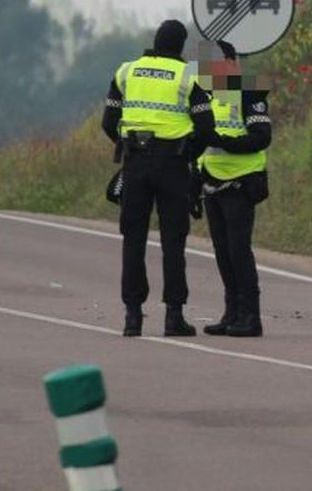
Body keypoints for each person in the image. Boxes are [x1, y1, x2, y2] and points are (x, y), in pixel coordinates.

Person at [102, 19, 216, 337]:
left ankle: (132, 316)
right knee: (173, 242)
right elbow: (207, 128)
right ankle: (174, 317)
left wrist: (127, 146)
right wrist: (188, 152)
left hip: (135, 162)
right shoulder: (187, 76)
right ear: (181, 46)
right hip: (172, 164)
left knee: (133, 240)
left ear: (155, 40)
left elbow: (109, 121)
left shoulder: (126, 71)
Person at [196, 41, 271, 337]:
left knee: (239, 249)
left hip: (242, 181)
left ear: (230, 63)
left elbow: (261, 137)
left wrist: (221, 140)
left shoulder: (250, 92)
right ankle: (231, 312)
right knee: (222, 250)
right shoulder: (209, 95)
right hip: (212, 182)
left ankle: (251, 316)